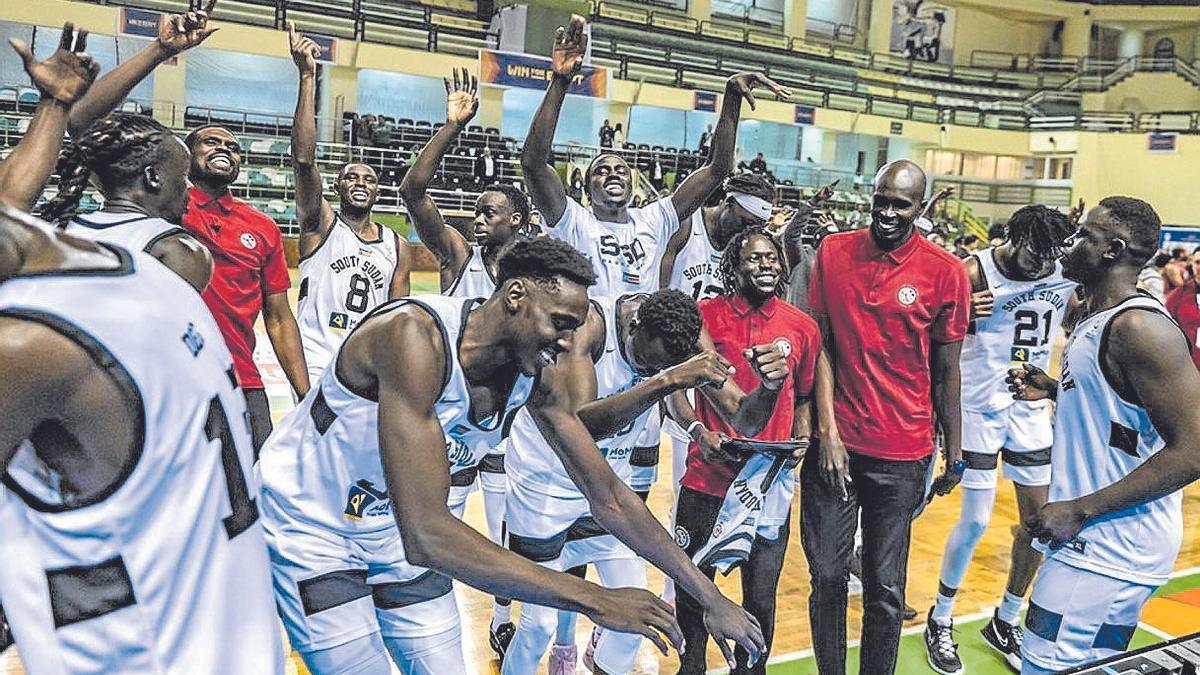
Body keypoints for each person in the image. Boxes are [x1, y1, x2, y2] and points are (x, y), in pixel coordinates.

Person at [255, 237, 765, 674]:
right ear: (515, 296)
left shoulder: (535, 372)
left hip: (387, 532)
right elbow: (428, 533)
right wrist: (594, 599)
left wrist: (708, 595)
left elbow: (606, 493)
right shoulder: (415, 337)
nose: (568, 343)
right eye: (560, 323)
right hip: (314, 528)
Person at [0, 44, 281, 663]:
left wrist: (57, 108)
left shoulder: (44, 320)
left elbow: (12, 208)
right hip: (214, 610)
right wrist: (56, 107)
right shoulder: (162, 263)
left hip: (146, 630)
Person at [63, 0, 310, 452]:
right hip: (155, 375)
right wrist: (160, 50)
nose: (225, 149)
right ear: (175, 165)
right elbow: (82, 125)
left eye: (234, 147)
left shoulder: (263, 226)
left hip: (240, 376)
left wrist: (303, 391)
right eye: (211, 141)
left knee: (249, 499)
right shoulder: (159, 203)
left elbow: (278, 319)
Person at [501, 288, 788, 675]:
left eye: (664, 366)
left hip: (606, 490)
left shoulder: (686, 334)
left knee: (637, 621)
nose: (653, 370)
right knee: (539, 627)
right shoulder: (590, 326)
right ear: (635, 326)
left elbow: (744, 418)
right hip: (544, 483)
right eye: (646, 362)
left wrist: (769, 389)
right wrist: (665, 381)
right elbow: (580, 426)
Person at [1008, 197, 1200, 674]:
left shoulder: (1138, 326)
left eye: (1083, 235)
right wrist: (1057, 390)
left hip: (1107, 547)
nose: (1070, 243)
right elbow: (1125, 415)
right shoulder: (1101, 317)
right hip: (1107, 548)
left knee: (1043, 666)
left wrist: (1078, 508)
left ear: (1112, 250)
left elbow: (1194, 449)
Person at [803, 159, 970, 675]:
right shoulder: (833, 253)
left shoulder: (946, 272)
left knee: (885, 587)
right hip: (837, 448)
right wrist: (826, 430)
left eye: (901, 204)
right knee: (828, 577)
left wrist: (956, 455)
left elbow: (947, 372)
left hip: (904, 453)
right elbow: (820, 344)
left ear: (921, 208)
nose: (888, 212)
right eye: (881, 200)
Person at [400, 68, 533, 653]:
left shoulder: (533, 275)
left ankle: (504, 619)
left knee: (505, 527)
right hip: (449, 421)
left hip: (504, 423)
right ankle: (431, 614)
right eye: (477, 210)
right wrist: (451, 127)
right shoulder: (458, 257)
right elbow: (412, 192)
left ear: (519, 221)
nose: (479, 218)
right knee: (440, 519)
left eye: (491, 212)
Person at [520, 15, 789, 298]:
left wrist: (731, 97)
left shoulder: (653, 220)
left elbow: (717, 169)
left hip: (639, 339)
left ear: (633, 184)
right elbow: (533, 164)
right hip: (588, 339)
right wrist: (561, 82)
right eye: (601, 170)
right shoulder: (572, 220)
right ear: (587, 190)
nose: (613, 173)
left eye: (621, 170)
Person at [923, 205, 1078, 675]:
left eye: (1050, 255)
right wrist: (961, 313)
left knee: (1040, 524)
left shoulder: (1062, 276)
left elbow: (1079, 327)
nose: (1040, 264)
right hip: (975, 408)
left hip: (1029, 409)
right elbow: (926, 330)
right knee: (975, 520)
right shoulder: (972, 271)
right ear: (1012, 236)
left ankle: (1007, 618)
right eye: (1034, 253)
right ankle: (941, 617)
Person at [669, 226, 821, 674]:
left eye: (772, 257)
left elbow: (807, 395)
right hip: (708, 477)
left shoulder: (803, 326)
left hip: (768, 484)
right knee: (693, 587)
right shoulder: (703, 318)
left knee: (761, 595)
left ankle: (750, 669)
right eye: (754, 258)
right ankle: (690, 666)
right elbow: (675, 391)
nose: (766, 264)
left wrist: (804, 435)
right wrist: (698, 431)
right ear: (733, 268)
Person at [288, 23, 411, 383]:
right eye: (351, 177)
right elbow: (303, 160)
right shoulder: (320, 224)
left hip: (366, 363)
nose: (360, 183)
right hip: (315, 357)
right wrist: (308, 77)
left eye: (369, 179)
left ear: (377, 191)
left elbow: (396, 314)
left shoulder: (396, 246)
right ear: (338, 186)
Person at [42, 112, 213, 293]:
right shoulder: (178, 249)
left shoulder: (54, 229)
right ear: (152, 177)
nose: (190, 186)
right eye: (184, 176)